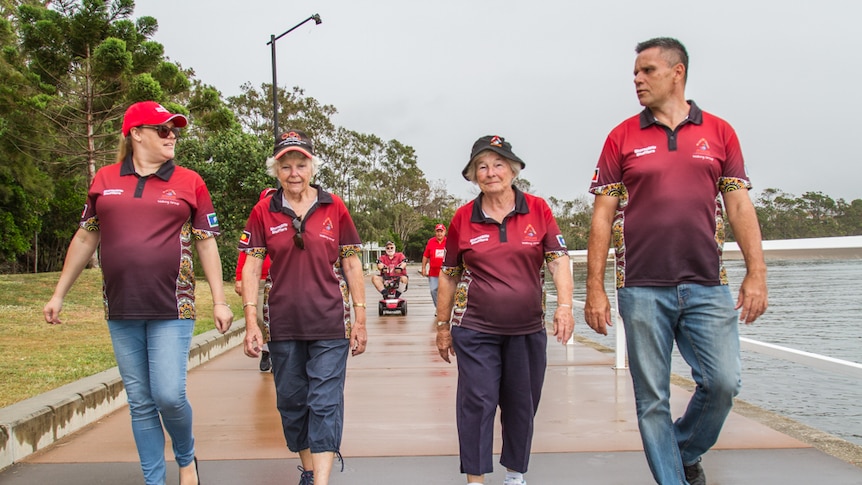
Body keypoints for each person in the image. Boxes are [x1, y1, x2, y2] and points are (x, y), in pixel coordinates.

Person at [584, 37, 768, 485]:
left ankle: (683, 450)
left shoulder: (719, 132)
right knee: (652, 401)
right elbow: (603, 216)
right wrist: (594, 287)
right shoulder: (621, 136)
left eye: (647, 71)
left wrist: (756, 273)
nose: (637, 80)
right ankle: (673, 479)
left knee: (723, 384)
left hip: (707, 281)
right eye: (635, 73)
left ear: (677, 72)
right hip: (642, 286)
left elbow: (740, 206)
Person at [43, 100, 233, 485]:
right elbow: (85, 237)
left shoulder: (189, 181)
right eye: (163, 129)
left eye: (174, 130)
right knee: (141, 403)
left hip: (172, 305)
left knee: (168, 395)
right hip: (122, 306)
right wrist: (59, 293)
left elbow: (206, 243)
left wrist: (219, 299)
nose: (172, 136)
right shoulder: (104, 180)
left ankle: (185, 457)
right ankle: (153, 480)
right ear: (136, 134)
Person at [435, 135, 574, 485]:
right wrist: (441, 325)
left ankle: (515, 475)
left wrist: (565, 306)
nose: (490, 172)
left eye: (498, 164)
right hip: (475, 329)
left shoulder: (538, 209)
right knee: (477, 402)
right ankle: (476, 478)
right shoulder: (463, 218)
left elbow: (558, 262)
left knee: (521, 404)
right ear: (472, 175)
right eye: (481, 166)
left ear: (513, 170)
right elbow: (449, 275)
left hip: (527, 329)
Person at [237, 129, 367, 485]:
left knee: (324, 402)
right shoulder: (264, 209)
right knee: (292, 404)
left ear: (312, 167)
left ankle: (320, 481)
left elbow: (352, 263)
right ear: (276, 171)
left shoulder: (333, 206)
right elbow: (251, 264)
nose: (294, 173)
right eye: (286, 166)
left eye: (301, 164)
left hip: (329, 323)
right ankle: (308, 470)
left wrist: (360, 318)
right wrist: (251, 321)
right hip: (282, 324)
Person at [234, 187, 277, 372]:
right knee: (261, 318)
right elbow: (245, 255)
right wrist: (239, 279)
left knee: (277, 319)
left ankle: (276, 354)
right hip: (259, 281)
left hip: (280, 280)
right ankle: (266, 349)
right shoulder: (255, 224)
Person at [421, 223, 447, 309]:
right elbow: (425, 256)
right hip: (433, 272)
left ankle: (444, 309)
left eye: (441, 231)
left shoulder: (448, 242)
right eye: (437, 231)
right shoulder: (431, 242)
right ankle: (438, 308)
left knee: (444, 291)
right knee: (433, 290)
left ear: (444, 232)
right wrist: (423, 268)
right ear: (435, 232)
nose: (439, 233)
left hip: (445, 272)